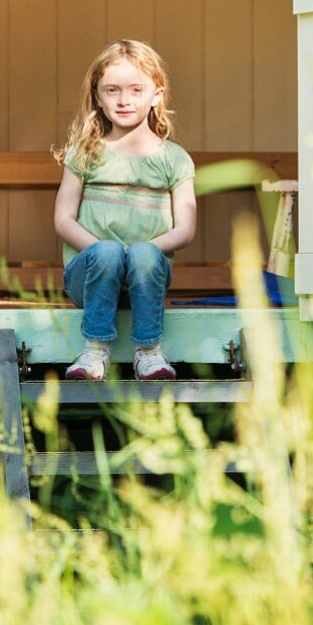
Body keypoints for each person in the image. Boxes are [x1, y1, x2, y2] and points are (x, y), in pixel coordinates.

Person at [53, 39, 196, 382]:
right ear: (97, 97)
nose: (123, 99)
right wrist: (111, 252)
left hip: (144, 280)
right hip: (88, 277)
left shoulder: (173, 158)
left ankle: (149, 353)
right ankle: (94, 351)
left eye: (136, 89)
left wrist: (135, 255)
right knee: (106, 253)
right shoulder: (86, 153)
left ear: (157, 94)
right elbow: (63, 219)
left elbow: (185, 229)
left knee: (145, 256)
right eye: (112, 90)